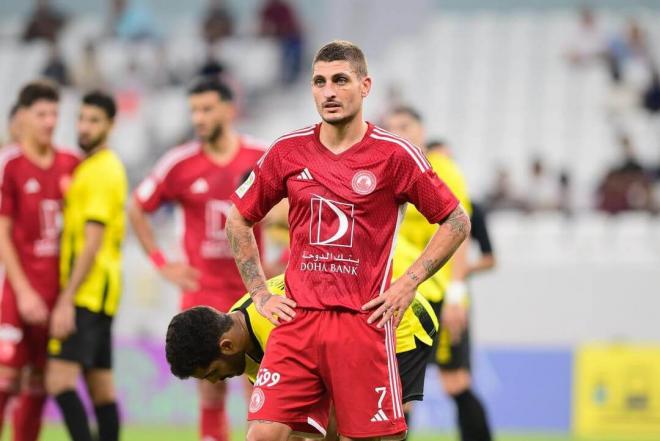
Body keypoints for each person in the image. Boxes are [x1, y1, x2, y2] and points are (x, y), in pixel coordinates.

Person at [225, 40, 470, 441]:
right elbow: (238, 219)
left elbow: (456, 221)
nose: (329, 92)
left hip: (363, 324)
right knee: (262, 435)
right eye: (319, 82)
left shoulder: (396, 156)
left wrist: (408, 283)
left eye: (340, 80)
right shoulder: (287, 151)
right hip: (296, 323)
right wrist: (260, 294)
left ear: (365, 86)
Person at [128, 77, 265, 441]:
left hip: (252, 289)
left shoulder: (260, 157)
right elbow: (136, 207)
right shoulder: (179, 163)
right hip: (202, 291)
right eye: (194, 111)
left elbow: (288, 208)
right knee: (210, 382)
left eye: (206, 109)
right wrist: (161, 263)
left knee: (262, 387)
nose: (199, 118)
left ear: (229, 109)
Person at [165, 274, 439, 439]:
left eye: (212, 373)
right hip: (350, 335)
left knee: (366, 431)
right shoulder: (239, 331)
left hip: (397, 321)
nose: (215, 382)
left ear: (226, 347)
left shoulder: (280, 328)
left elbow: (332, 406)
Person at [383, 107, 493, 441]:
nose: (399, 132)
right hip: (396, 293)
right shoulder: (383, 171)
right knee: (398, 388)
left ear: (422, 129)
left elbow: (458, 233)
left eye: (406, 126)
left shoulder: (443, 170)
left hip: (439, 293)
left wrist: (457, 294)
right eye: (392, 128)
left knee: (456, 381)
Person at [45, 91, 127, 441]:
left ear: (110, 125)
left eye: (94, 120)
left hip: (88, 293)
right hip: (98, 293)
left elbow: (91, 241)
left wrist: (66, 298)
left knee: (58, 381)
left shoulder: (101, 171)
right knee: (101, 389)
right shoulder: (95, 167)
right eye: (81, 119)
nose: (84, 127)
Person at [0, 81, 79, 441]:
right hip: (18, 295)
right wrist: (23, 292)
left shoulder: (71, 165)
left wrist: (67, 298)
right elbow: (2, 233)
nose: (49, 121)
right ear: (24, 118)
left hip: (58, 295)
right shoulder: (10, 165)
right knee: (5, 378)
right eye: (41, 114)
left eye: (53, 114)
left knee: (39, 383)